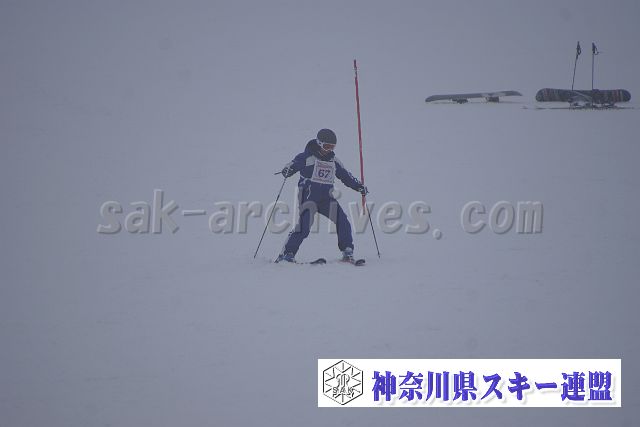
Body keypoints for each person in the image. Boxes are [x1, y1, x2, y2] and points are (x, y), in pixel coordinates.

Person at [275, 129, 368, 263]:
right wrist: (287, 170)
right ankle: (287, 253)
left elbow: (345, 176)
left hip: (326, 199)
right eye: (326, 146)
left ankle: (347, 250)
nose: (328, 150)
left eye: (332, 147)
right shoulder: (306, 157)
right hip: (308, 198)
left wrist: (358, 186)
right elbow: (292, 165)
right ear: (319, 143)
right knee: (304, 226)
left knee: (343, 221)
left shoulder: (333, 161)